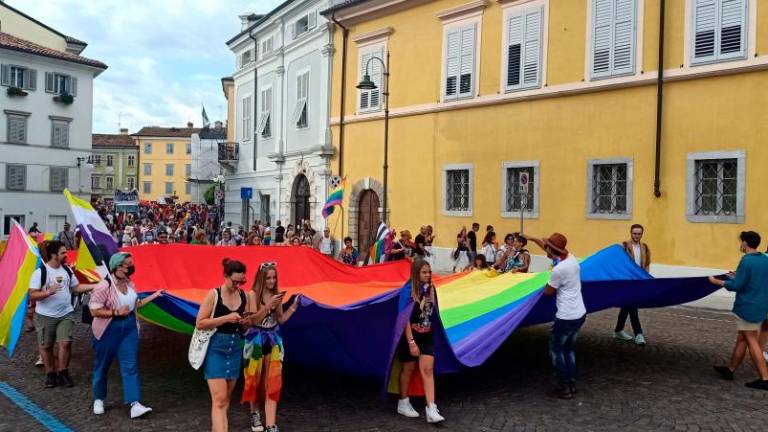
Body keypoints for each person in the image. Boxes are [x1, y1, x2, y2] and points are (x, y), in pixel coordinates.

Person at [89, 252, 163, 418]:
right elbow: (94, 310)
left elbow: (136, 305)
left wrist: (154, 296)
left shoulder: (131, 283)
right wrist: (115, 312)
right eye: (128, 264)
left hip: (129, 327)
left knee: (130, 366)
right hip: (108, 328)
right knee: (102, 365)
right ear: (117, 266)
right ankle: (99, 398)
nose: (131, 266)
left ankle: (134, 403)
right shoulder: (104, 286)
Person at [524, 232, 586, 399]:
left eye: (548, 249)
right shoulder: (571, 259)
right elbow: (546, 245)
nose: (546, 251)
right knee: (569, 349)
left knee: (556, 350)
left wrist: (535, 284)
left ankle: (564, 386)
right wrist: (531, 237)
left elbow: (548, 291)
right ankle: (572, 383)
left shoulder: (559, 270)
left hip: (566, 316)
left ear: (552, 250)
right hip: (579, 313)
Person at [242, 262, 301, 432]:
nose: (271, 281)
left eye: (274, 277)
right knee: (254, 380)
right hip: (255, 341)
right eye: (268, 277)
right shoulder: (252, 295)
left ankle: (271, 424)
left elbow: (281, 319)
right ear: (261, 278)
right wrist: (268, 306)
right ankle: (254, 414)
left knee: (272, 382)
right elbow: (252, 320)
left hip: (274, 340)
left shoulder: (277, 295)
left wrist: (294, 306)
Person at [28, 241, 96, 388]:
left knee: (65, 343)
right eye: (63, 253)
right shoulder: (40, 273)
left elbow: (76, 287)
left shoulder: (67, 270)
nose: (67, 255)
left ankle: (63, 372)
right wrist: (48, 292)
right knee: (46, 347)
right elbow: (32, 295)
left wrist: (95, 285)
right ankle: (50, 374)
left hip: (66, 313)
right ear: (54, 255)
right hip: (45, 316)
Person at [709, 231, 768, 390]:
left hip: (748, 307)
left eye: (741, 242)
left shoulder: (747, 260)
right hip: (760, 305)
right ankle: (730, 370)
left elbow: (736, 286)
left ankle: (765, 378)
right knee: (743, 337)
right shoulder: (764, 259)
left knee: (751, 340)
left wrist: (716, 281)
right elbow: (754, 279)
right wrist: (738, 275)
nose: (740, 244)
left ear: (745, 243)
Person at [196, 259, 249, 432]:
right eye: (235, 281)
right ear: (225, 276)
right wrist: (226, 318)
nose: (238, 285)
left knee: (225, 399)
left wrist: (246, 322)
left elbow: (245, 327)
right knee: (219, 399)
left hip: (235, 347)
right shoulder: (214, 294)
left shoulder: (243, 295)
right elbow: (200, 323)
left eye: (241, 282)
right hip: (215, 348)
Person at [396, 259, 445, 423]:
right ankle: (403, 402)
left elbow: (433, 313)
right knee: (408, 368)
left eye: (429, 272)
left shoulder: (431, 289)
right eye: (424, 272)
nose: (428, 275)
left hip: (427, 335)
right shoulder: (407, 290)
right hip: (410, 336)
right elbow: (404, 318)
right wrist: (411, 342)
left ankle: (431, 408)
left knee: (428, 369)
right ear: (416, 273)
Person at [614, 224, 651, 345]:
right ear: (631, 233)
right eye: (634, 233)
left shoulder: (644, 247)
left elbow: (646, 264)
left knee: (626, 306)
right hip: (626, 282)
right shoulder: (624, 247)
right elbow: (619, 264)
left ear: (642, 234)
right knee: (632, 306)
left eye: (639, 234)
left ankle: (618, 330)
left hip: (638, 282)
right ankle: (639, 334)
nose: (636, 236)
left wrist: (645, 278)